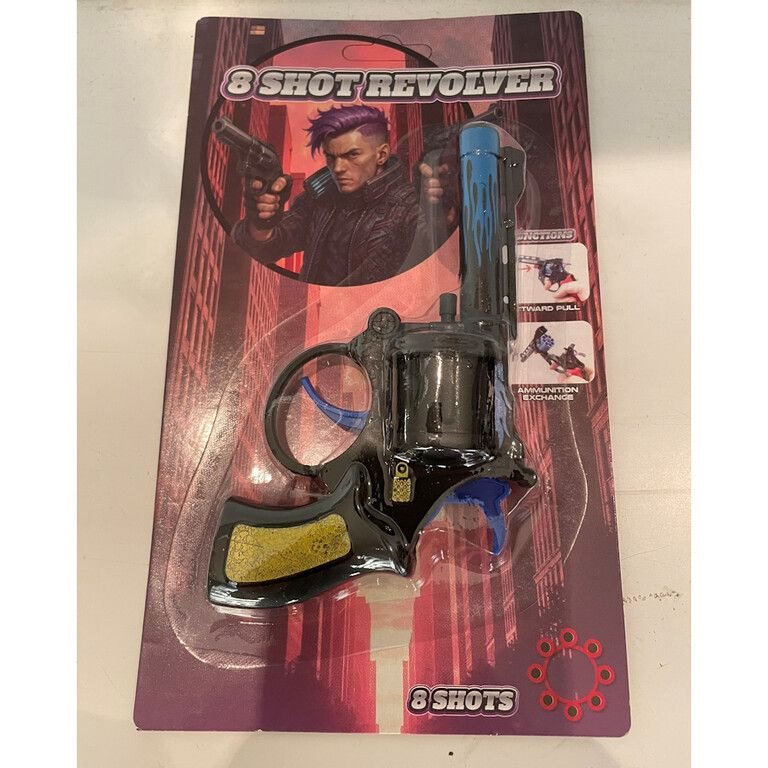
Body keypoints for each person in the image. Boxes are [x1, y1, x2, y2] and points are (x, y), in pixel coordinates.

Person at [231, 105, 443, 286]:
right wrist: (262, 223)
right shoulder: (318, 199)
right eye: (331, 157)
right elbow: (267, 248)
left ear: (382, 154)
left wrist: (443, 215)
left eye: (352, 155)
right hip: (320, 318)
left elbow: (435, 261)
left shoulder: (408, 205)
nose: (338, 168)